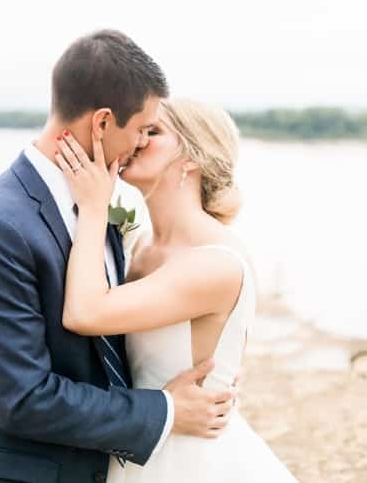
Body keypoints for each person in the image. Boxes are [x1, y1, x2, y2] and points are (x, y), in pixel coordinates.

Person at [0, 31, 237, 483]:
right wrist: (166, 409)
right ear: (102, 124)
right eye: (141, 129)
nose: (140, 144)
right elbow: (23, 399)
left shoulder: (98, 207)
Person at [54, 97, 297, 482]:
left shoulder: (216, 262)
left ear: (192, 158)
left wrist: (94, 207)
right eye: (138, 129)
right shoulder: (140, 244)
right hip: (141, 440)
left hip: (188, 458)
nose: (136, 139)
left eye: (152, 132)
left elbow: (85, 313)